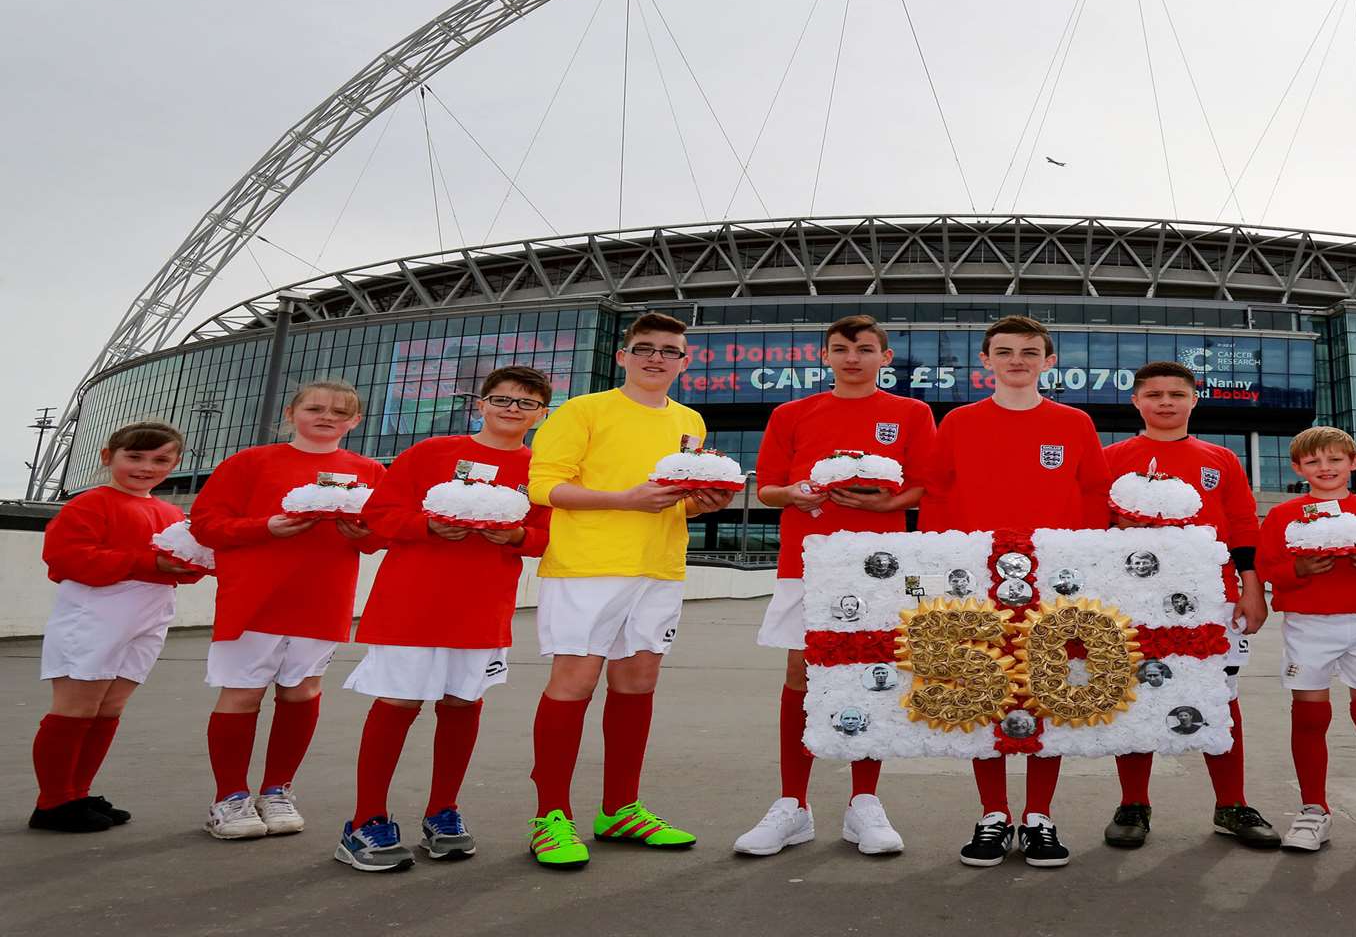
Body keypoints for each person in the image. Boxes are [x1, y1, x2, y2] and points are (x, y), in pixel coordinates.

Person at [524, 312, 736, 868]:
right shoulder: (583, 410)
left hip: (659, 567)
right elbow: (545, 488)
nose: (656, 358)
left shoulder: (689, 420)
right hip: (588, 565)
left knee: (638, 683)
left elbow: (674, 496)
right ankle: (551, 817)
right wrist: (624, 499)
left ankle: (618, 808)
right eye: (645, 348)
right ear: (623, 357)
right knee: (574, 682)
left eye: (670, 351)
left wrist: (703, 502)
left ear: (685, 362)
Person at [731, 314, 937, 860]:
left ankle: (864, 802)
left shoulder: (911, 413)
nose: (853, 358)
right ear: (826, 356)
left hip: (880, 565)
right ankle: (792, 805)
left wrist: (885, 501)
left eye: (865, 349)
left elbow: (924, 487)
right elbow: (769, 489)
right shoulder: (792, 413)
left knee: (871, 672)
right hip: (807, 561)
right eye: (842, 348)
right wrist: (797, 493)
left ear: (884, 358)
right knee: (802, 672)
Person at [332, 366, 553, 872]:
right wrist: (427, 525)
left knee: (461, 703)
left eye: (526, 403)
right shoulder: (431, 452)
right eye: (502, 398)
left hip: (482, 606)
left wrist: (518, 538)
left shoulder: (541, 468)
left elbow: (551, 532)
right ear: (481, 402)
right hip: (412, 602)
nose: (511, 409)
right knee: (398, 703)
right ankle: (365, 820)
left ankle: (443, 812)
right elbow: (380, 514)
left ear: (542, 414)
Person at [921, 314, 1111, 868]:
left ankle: (1039, 816)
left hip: (1055, 586)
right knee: (984, 692)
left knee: (1048, 694)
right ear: (986, 362)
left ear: (1049, 362)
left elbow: (1094, 497)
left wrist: (1083, 569)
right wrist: (945, 571)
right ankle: (993, 813)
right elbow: (935, 496)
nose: (1017, 361)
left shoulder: (1074, 423)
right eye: (1004, 352)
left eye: (1029, 352)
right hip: (977, 585)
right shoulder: (957, 422)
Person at [193, 380, 384, 840]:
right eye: (315, 408)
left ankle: (277, 790)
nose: (327, 417)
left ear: (355, 421)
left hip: (323, 598)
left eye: (340, 412)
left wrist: (364, 536)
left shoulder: (370, 470)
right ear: (290, 413)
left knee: (302, 691)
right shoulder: (249, 462)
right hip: (254, 598)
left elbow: (381, 533)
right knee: (242, 693)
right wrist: (266, 527)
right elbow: (205, 524)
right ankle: (230, 797)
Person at [1101, 361, 1275, 850]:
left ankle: (1232, 803)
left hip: (1210, 599)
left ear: (1193, 399)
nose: (1165, 402)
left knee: (1219, 697)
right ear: (1136, 401)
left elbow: (1242, 525)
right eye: (1153, 394)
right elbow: (1092, 524)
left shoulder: (1219, 458)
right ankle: (1133, 803)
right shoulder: (1112, 457)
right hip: (1134, 599)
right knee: (1135, 693)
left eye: (1176, 394)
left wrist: (1252, 587)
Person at [1256, 426, 1356, 857]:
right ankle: (1314, 808)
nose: (1324, 468)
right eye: (1313, 462)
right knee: (1310, 717)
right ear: (1297, 468)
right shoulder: (1282, 516)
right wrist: (1301, 572)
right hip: (1308, 624)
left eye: (1334, 460)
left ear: (1353, 463)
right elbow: (1269, 568)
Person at [31, 421, 200, 833]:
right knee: (76, 708)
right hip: (94, 612)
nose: (146, 467)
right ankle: (52, 802)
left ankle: (77, 792)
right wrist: (149, 563)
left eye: (161, 459)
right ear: (109, 458)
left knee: (108, 708)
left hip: (149, 612)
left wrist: (195, 565)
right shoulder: (87, 505)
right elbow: (65, 558)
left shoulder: (171, 512)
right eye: (135, 457)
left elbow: (185, 565)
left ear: (176, 463)